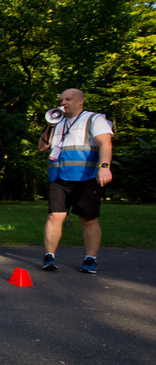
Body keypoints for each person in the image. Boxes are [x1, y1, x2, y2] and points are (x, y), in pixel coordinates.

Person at [37, 88, 113, 274]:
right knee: (55, 216)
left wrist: (105, 167)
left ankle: (90, 259)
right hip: (58, 177)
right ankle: (49, 256)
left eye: (68, 99)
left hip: (85, 177)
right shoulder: (58, 122)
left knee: (88, 219)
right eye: (62, 99)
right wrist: (50, 125)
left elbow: (105, 143)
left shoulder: (94, 119)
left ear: (81, 101)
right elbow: (42, 147)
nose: (63, 103)